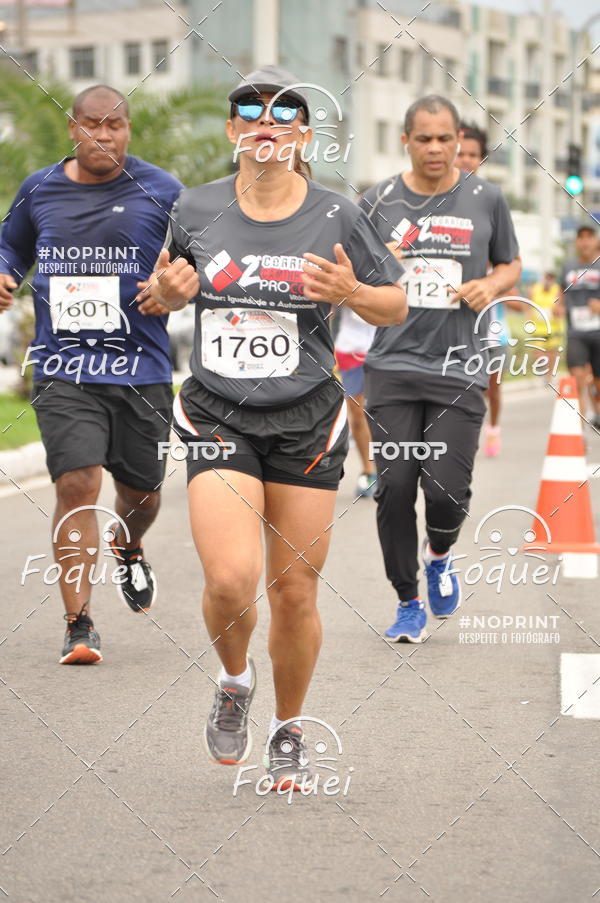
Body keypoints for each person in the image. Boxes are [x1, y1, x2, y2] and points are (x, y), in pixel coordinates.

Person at [149, 66, 406, 789]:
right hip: (218, 411)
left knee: (294, 591)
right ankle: (235, 679)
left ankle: (288, 728)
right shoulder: (193, 209)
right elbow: (161, 294)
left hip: (307, 421)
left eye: (284, 112)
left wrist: (353, 290)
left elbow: (394, 305)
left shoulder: (337, 213)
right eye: (250, 112)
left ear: (301, 135)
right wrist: (164, 293)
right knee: (231, 580)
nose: (266, 121)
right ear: (233, 132)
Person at [0, 85, 183, 664]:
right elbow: (9, 248)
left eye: (115, 125)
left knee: (144, 493)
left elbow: (200, 262)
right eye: (92, 125)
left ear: (128, 130)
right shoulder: (40, 189)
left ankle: (129, 543)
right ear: (72, 130)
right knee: (77, 483)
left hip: (142, 369)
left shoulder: (162, 190)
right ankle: (79, 624)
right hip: (63, 367)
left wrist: (175, 286)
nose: (103, 136)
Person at [361, 95, 521, 642]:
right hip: (392, 366)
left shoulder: (486, 198)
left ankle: (440, 554)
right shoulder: (377, 200)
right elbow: (350, 271)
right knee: (395, 487)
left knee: (447, 490)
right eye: (423, 138)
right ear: (405, 139)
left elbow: (511, 263)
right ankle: (408, 601)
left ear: (459, 142)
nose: (435, 148)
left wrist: (493, 285)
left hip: (460, 365)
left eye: (445, 138)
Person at [456, 121, 521, 457]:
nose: (465, 160)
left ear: (481, 160)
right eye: (460, 153)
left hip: (489, 324)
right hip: (445, 323)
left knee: (492, 387)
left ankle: (492, 428)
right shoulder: (428, 200)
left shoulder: (491, 203)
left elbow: (510, 263)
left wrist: (492, 283)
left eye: (472, 155)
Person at [557, 224, 600, 428]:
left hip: (598, 332)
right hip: (576, 332)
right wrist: (558, 306)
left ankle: (597, 412)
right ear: (576, 242)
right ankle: (578, 433)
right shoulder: (568, 267)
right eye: (580, 237)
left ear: (596, 241)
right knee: (577, 381)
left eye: (589, 237)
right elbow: (560, 292)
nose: (584, 241)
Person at [334, 305, 377, 496]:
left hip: (389, 349)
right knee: (358, 414)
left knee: (390, 411)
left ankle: (394, 468)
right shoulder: (343, 272)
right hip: (350, 349)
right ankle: (370, 471)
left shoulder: (395, 274)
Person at [528, 271, 564, 377]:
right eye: (547, 278)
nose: (548, 281)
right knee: (538, 353)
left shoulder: (557, 290)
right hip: (538, 328)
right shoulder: (534, 289)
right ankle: (543, 368)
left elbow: (560, 307)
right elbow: (528, 305)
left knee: (552, 353)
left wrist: (557, 311)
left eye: (551, 278)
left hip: (553, 327)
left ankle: (549, 376)